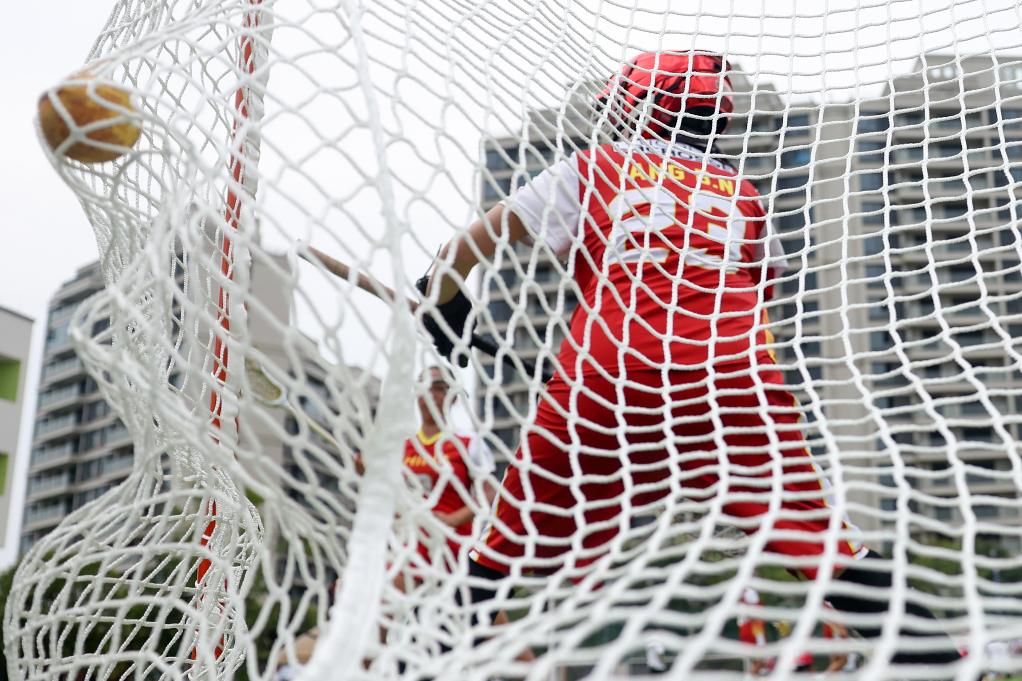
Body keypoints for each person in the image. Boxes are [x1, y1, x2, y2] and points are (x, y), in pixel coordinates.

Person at [415, 49, 962, 668]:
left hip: (603, 377)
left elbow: (458, 254)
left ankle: (415, 666)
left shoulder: (593, 166)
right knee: (829, 551)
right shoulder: (744, 196)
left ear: (643, 108)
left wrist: (443, 302)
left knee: (497, 554)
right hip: (736, 385)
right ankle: (941, 664)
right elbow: (757, 292)